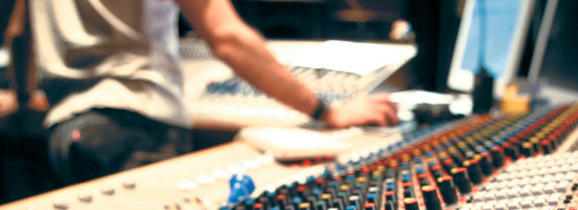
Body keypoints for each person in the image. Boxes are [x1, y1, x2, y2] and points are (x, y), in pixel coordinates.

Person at [20, 0, 399, 184]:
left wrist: (23, 97)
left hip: (65, 130)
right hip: (135, 121)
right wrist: (326, 111)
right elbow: (227, 37)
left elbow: (20, 33)